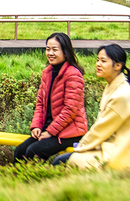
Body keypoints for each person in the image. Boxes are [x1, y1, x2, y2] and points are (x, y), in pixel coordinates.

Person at [53, 44, 130, 170]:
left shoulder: (120, 95)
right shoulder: (114, 86)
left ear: (118, 66)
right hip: (111, 147)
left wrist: (80, 147)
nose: (98, 64)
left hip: (117, 154)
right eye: (98, 60)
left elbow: (100, 130)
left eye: (103, 61)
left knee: (62, 162)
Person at [14, 33, 87, 163]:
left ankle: (34, 181)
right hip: (50, 129)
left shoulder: (73, 75)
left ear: (65, 52)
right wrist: (36, 126)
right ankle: (16, 181)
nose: (50, 53)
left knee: (33, 152)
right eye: (48, 49)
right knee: (20, 151)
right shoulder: (47, 72)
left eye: (55, 49)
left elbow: (70, 109)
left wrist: (50, 132)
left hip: (70, 132)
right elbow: (40, 103)